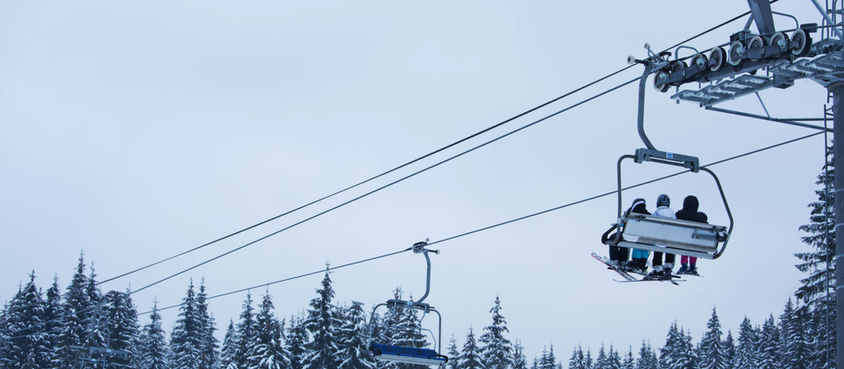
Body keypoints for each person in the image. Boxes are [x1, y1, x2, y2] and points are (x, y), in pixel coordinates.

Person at [603, 198, 649, 270]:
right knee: (624, 239)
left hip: (629, 235)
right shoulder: (648, 216)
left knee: (615, 237)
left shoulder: (630, 213)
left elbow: (622, 223)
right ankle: (623, 262)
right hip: (641, 238)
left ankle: (614, 260)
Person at [645, 194, 676, 280]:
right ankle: (668, 265)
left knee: (658, 242)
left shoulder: (655, 214)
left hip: (657, 241)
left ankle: (657, 267)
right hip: (670, 242)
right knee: (669, 242)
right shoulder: (673, 215)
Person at [675, 195, 708, 275]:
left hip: (680, 242)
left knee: (684, 244)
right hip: (694, 244)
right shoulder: (700, 218)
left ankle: (684, 266)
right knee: (694, 244)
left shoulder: (679, 214)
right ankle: (692, 267)